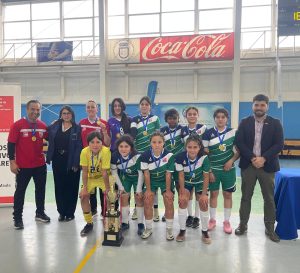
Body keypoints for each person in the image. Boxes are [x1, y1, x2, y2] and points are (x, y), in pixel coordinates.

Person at [234, 94, 284, 243]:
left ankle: (269, 228)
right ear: (252, 106)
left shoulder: (275, 123)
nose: (259, 108)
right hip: (249, 165)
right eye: (256, 105)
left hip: (267, 166)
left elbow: (279, 144)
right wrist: (252, 157)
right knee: (245, 197)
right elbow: (239, 142)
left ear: (267, 106)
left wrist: (264, 158)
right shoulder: (245, 122)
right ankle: (243, 225)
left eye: (262, 105)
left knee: (268, 198)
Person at [8, 100, 50, 229]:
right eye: (33, 109)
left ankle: (40, 213)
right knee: (20, 192)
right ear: (27, 109)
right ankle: (18, 218)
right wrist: (12, 162)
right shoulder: (18, 125)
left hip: (40, 165)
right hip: (23, 166)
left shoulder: (43, 126)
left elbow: (49, 140)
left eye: (38, 110)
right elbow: (11, 144)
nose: (35, 112)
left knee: (40, 190)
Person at [202, 108, 239, 234]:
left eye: (223, 117)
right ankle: (212, 220)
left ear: (227, 119)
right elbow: (205, 154)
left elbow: (238, 151)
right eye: (218, 117)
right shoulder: (208, 133)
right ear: (214, 119)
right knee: (213, 194)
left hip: (229, 169)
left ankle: (227, 221)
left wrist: (231, 160)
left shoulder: (233, 132)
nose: (220, 119)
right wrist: (210, 171)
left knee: (228, 195)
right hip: (214, 170)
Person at [46, 105, 82, 221]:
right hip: (58, 161)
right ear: (61, 115)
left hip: (72, 161)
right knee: (59, 187)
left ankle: (70, 213)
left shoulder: (77, 128)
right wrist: (52, 123)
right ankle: (61, 212)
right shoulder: (55, 126)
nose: (66, 115)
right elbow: (47, 132)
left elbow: (78, 147)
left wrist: (76, 163)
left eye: (68, 113)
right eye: (64, 113)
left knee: (71, 187)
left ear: (72, 115)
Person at [175, 135, 211, 244]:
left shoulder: (204, 158)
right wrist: (182, 192)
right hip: (186, 182)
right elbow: (181, 176)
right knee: (182, 201)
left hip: (200, 182)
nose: (192, 150)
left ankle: (205, 232)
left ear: (199, 147)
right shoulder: (180, 157)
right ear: (186, 147)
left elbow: (206, 177)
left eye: (195, 147)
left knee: (204, 203)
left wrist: (204, 194)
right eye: (189, 147)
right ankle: (182, 230)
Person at [140, 132, 175, 240]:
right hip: (152, 180)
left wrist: (168, 191)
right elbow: (146, 173)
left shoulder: (169, 155)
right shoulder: (145, 155)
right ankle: (149, 228)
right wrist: (149, 190)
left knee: (169, 200)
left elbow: (168, 174)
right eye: (154, 142)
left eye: (159, 142)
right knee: (147, 200)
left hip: (165, 181)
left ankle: (169, 229)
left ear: (164, 143)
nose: (157, 145)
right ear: (150, 143)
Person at [130, 96, 161, 221]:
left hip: (152, 155)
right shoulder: (134, 119)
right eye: (142, 104)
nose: (144, 106)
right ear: (139, 106)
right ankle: (137, 208)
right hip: (139, 154)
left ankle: (156, 209)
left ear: (150, 107)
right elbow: (132, 136)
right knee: (138, 182)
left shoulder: (155, 119)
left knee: (153, 183)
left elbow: (158, 135)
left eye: (146, 104)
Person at [79, 100, 111, 217]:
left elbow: (107, 143)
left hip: (101, 160)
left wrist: (104, 131)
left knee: (106, 191)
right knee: (87, 192)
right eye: (88, 107)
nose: (91, 109)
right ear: (86, 109)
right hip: (88, 159)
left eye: (93, 107)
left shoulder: (103, 123)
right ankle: (92, 213)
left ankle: (105, 211)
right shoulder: (81, 123)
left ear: (97, 109)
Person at [110, 135, 144, 235]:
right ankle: (125, 222)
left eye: (126, 146)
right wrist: (120, 187)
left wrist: (138, 189)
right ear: (118, 147)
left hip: (137, 177)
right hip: (125, 177)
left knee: (139, 199)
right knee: (124, 197)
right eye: (121, 146)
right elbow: (114, 173)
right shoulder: (114, 156)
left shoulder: (137, 156)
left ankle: (141, 224)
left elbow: (141, 173)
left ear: (131, 147)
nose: (123, 149)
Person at [79, 131, 111, 236]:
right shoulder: (84, 152)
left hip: (103, 177)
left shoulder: (106, 151)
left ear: (102, 143)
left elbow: (105, 172)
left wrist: (107, 189)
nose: (95, 145)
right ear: (88, 143)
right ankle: (89, 223)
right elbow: (84, 171)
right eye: (92, 142)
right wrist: (84, 189)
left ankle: (110, 222)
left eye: (98, 142)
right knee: (83, 196)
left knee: (110, 197)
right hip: (90, 178)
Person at [181, 106, 207, 229]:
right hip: (187, 164)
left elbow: (206, 148)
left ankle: (197, 217)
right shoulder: (182, 130)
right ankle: (190, 216)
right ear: (186, 116)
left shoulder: (203, 128)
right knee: (188, 193)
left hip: (200, 164)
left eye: (194, 114)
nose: (192, 116)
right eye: (189, 114)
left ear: (197, 115)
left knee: (198, 193)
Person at [160, 108, 184, 221]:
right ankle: (167, 211)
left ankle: (181, 211)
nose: (172, 120)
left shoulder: (183, 130)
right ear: (166, 119)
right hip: (167, 165)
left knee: (180, 189)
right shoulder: (162, 131)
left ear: (178, 118)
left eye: (174, 118)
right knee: (167, 190)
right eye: (170, 118)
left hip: (180, 164)